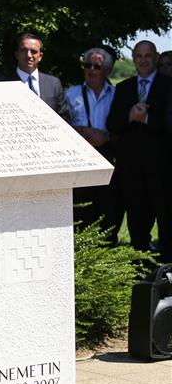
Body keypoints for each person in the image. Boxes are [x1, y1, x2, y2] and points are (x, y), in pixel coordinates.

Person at [106, 40, 171, 262]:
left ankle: (167, 276)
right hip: (132, 172)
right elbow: (112, 124)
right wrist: (130, 117)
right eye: (139, 56)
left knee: (167, 226)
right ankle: (140, 278)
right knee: (137, 228)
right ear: (133, 58)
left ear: (155, 57)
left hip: (163, 171)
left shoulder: (168, 85)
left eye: (148, 56)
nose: (143, 60)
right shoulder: (123, 87)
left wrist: (147, 119)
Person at [66, 47, 120, 242]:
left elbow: (121, 127)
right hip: (80, 157)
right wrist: (85, 132)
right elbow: (63, 125)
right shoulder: (71, 94)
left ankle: (106, 250)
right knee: (81, 208)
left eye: (97, 66)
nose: (92, 70)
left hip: (107, 156)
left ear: (106, 69)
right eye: (88, 65)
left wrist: (105, 137)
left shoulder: (116, 94)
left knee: (106, 208)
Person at [12, 33, 69, 118]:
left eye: (33, 51)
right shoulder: (4, 84)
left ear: (40, 56)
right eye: (24, 50)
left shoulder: (54, 84)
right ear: (17, 54)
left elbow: (64, 118)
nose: (29, 55)